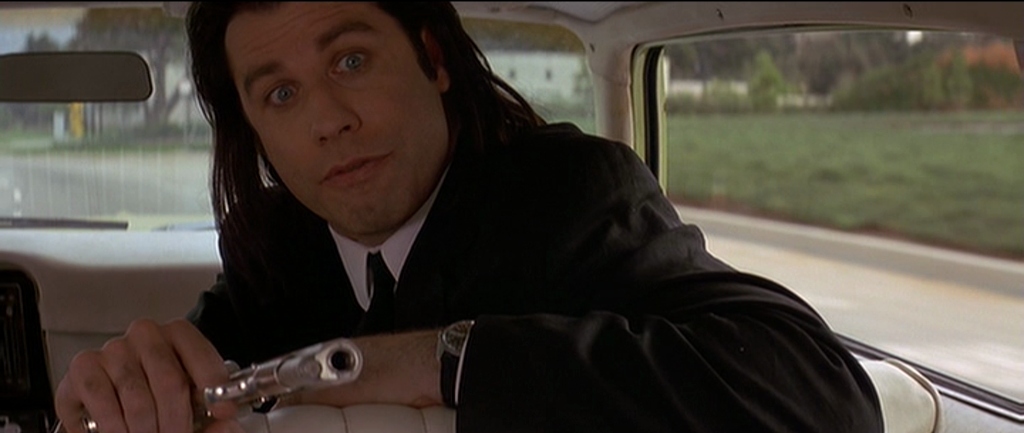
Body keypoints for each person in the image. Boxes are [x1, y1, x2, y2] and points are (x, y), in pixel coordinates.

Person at [55, 2, 882, 432]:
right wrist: (130, 387)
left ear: (433, 58)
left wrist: (440, 361)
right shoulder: (277, 243)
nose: (328, 119)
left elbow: (820, 396)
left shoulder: (567, 195)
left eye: (351, 59)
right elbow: (206, 365)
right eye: (280, 93)